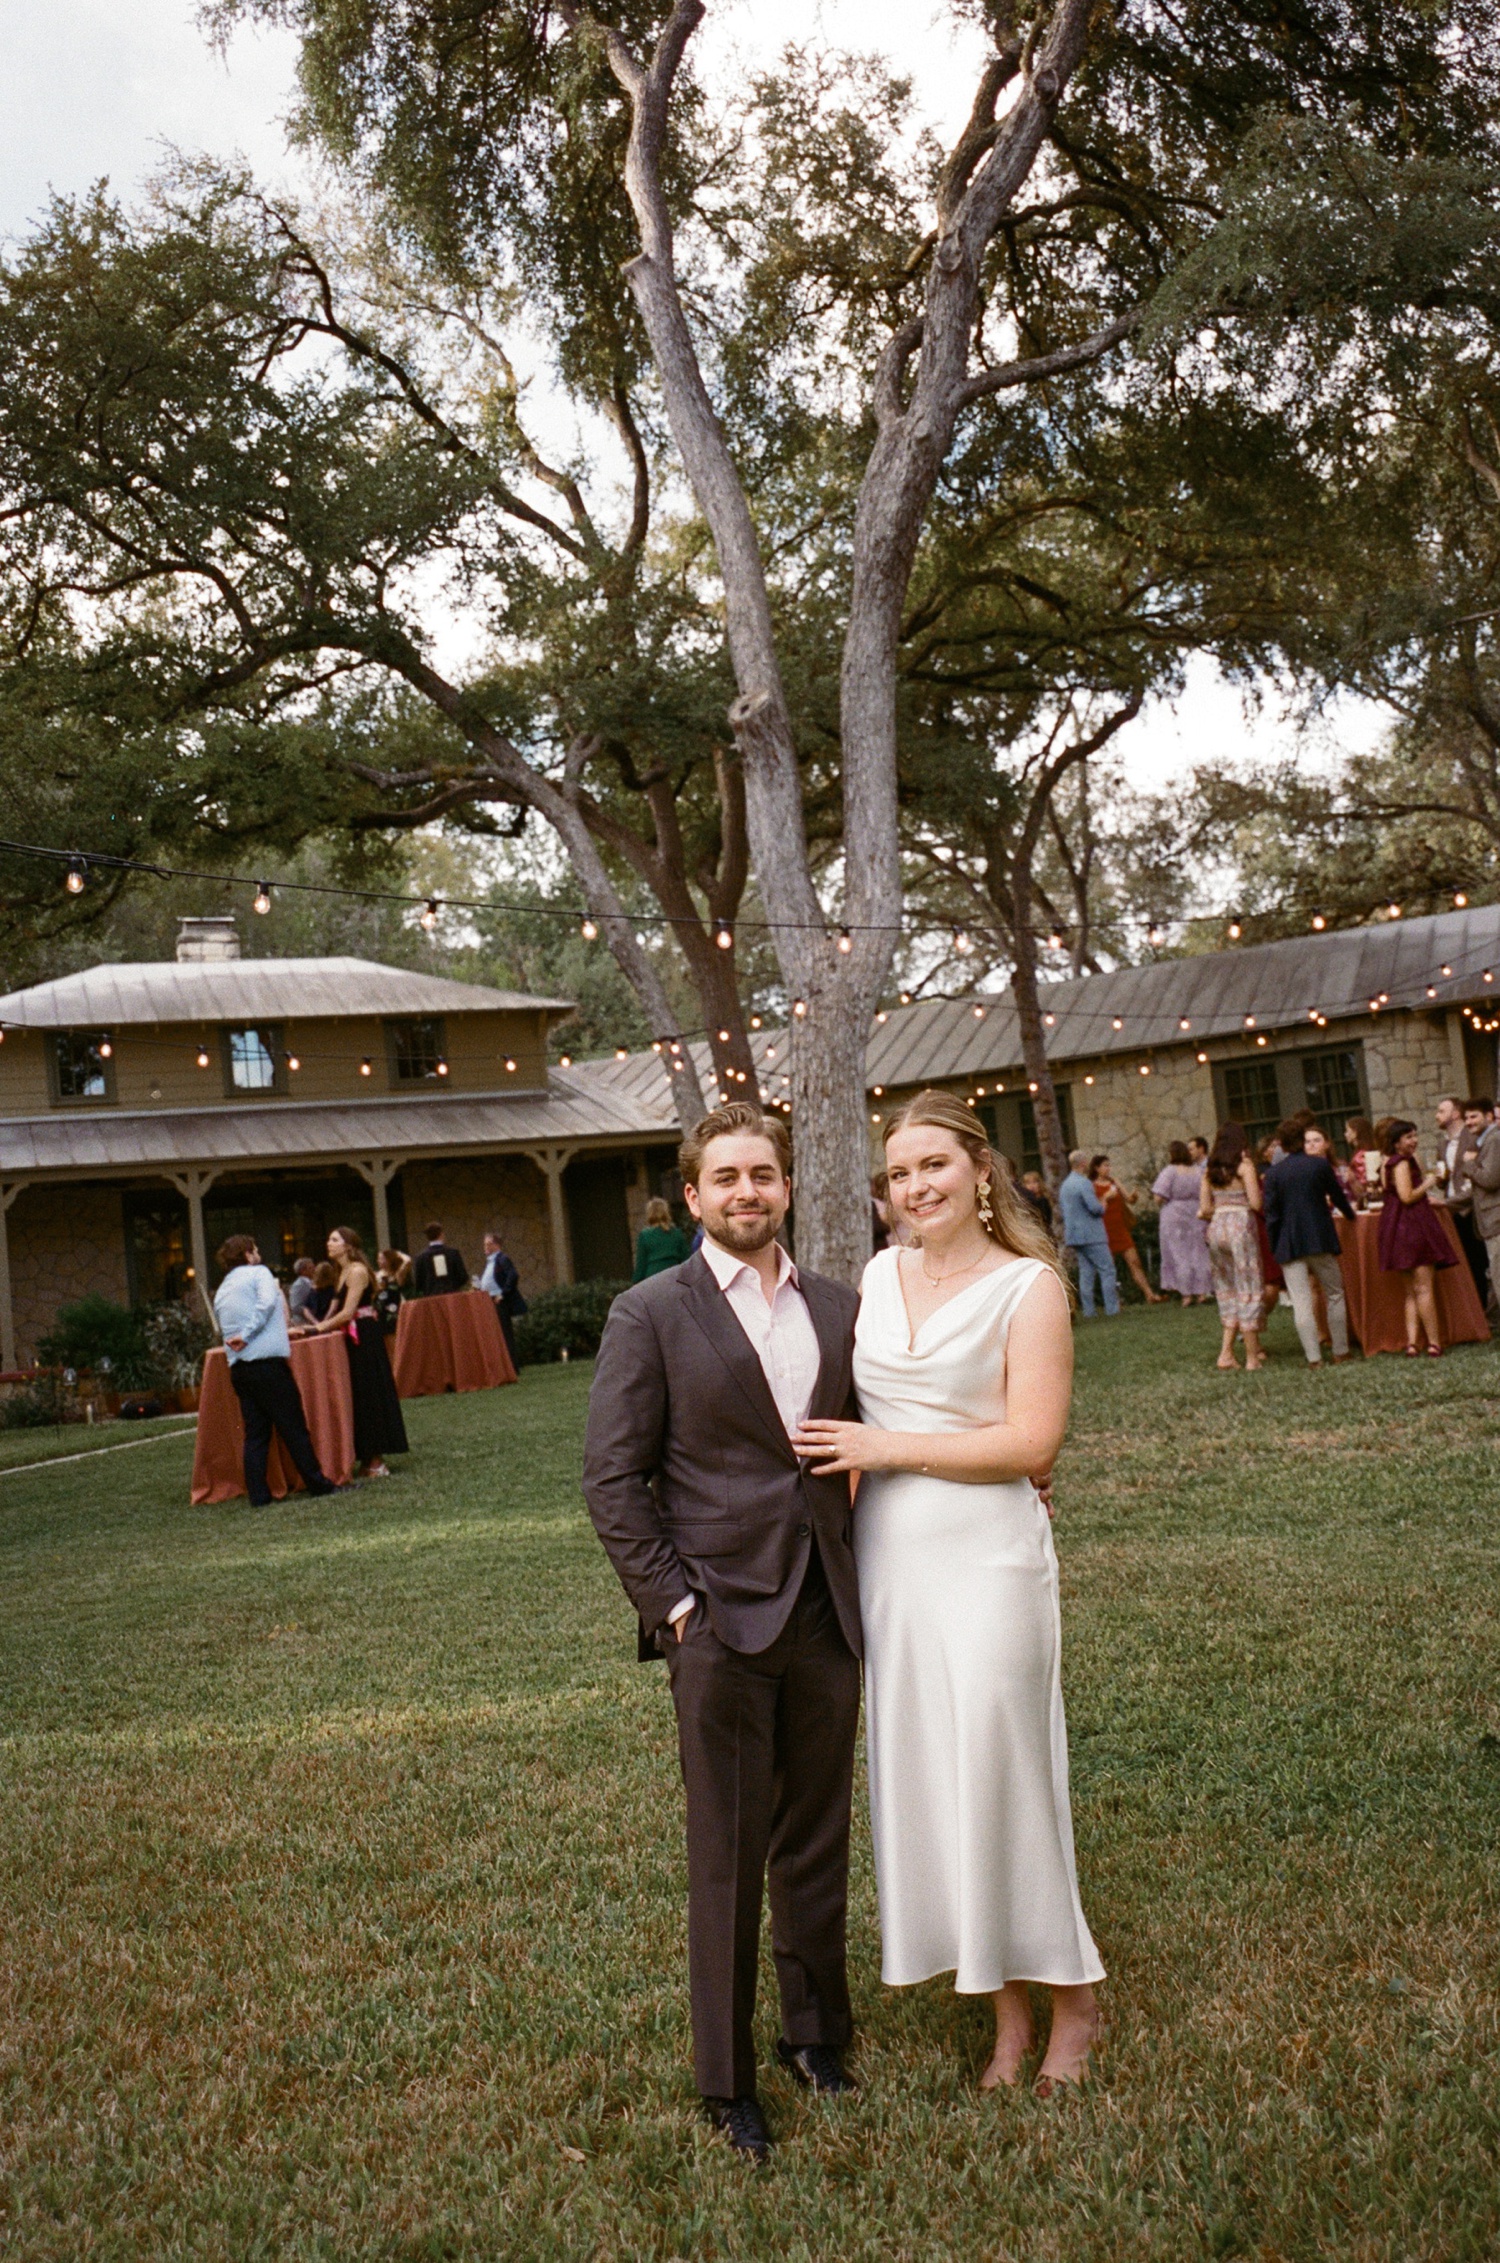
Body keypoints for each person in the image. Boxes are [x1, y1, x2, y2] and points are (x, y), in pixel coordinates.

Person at [793, 1090, 1102, 2098]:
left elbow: (1031, 1442)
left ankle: (1074, 2004)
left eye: (934, 1164)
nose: (916, 1185)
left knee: (1008, 1770)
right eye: (899, 1173)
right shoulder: (877, 1277)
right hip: (893, 1565)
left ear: (980, 1171)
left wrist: (888, 1446)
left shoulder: (1031, 1287)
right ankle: (1003, 2014)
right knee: (938, 1780)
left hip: (990, 1558)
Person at [583, 1102, 863, 2162]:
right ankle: (726, 2077)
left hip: (828, 1610)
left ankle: (815, 2033)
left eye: (765, 1174)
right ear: (693, 1196)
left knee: (816, 1835)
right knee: (727, 1851)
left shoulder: (838, 1306)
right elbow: (612, 1478)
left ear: (787, 1186)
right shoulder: (650, 1313)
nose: (749, 1191)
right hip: (718, 1621)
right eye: (727, 1178)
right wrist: (675, 1606)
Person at [212, 1235, 338, 1506]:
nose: (258, 1253)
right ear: (247, 1254)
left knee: (256, 1433)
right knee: (293, 1426)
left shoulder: (223, 1288)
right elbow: (267, 1304)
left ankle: (259, 1495)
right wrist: (248, 1334)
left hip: (240, 1369)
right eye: (255, 1249)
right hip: (267, 1365)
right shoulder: (259, 1273)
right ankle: (317, 1483)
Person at [310, 1226, 410, 1474]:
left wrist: (318, 1329)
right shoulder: (341, 1272)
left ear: (348, 1245)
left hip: (364, 1338)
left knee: (369, 1392)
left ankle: (376, 1459)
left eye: (335, 1239)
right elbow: (337, 1309)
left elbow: (348, 1312)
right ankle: (365, 1456)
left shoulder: (356, 1271)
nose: (329, 1243)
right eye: (329, 1238)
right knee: (356, 1393)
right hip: (352, 1338)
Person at [1262, 1118, 1356, 1366]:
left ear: (1281, 1143)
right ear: (1303, 1139)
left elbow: (1271, 1215)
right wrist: (1350, 1215)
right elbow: (1338, 1196)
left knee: (1301, 1301)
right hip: (1320, 1237)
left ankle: (1313, 1358)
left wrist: (1274, 1244)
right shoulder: (1318, 1166)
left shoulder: (1273, 1173)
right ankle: (1341, 1350)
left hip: (1289, 1242)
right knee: (1334, 1293)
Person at [1377, 1121, 1455, 1355]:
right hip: (1411, 1227)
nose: (1414, 1141)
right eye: (1409, 1137)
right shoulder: (1401, 1163)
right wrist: (1430, 1182)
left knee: (1411, 1291)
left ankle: (1412, 1343)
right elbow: (1407, 1196)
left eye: (1415, 1135)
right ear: (1396, 1142)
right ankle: (1433, 1342)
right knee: (1423, 1289)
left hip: (1395, 1227)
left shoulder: (1386, 1163)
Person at [1198, 1122, 1266, 1370]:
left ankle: (1226, 1353)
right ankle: (1251, 1357)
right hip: (1240, 1228)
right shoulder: (1244, 1166)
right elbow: (1257, 1204)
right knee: (1248, 1287)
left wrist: (1222, 1208)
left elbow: (1204, 1208)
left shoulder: (1210, 1170)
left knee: (1226, 1289)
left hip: (1216, 1228)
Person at [1437, 1096, 1490, 1303]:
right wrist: (1441, 1181)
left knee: (1480, 1259)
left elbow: (1478, 1175)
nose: (1437, 1115)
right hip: (1452, 1208)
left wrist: (1449, 1202)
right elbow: (1447, 1176)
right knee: (1464, 1259)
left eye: (1442, 1111)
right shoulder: (1442, 1144)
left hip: (1471, 1206)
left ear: (1455, 1114)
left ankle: (1487, 1307)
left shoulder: (1473, 1138)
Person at [1090, 1153, 1163, 1303]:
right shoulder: (1091, 1185)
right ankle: (1113, 1300)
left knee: (1134, 1261)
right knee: (1109, 1268)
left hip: (1120, 1227)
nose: (1108, 1168)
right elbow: (1092, 1206)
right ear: (1097, 1168)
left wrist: (1134, 1196)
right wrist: (1105, 1198)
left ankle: (1149, 1294)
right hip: (1104, 1229)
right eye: (1105, 1165)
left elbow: (1129, 1199)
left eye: (1109, 1165)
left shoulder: (1114, 1182)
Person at [1151, 1141, 1213, 1304]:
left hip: (1174, 1215)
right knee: (1199, 1252)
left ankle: (1186, 1295)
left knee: (1179, 1254)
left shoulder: (1170, 1171)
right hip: (1195, 1212)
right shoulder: (1198, 1171)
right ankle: (1202, 1293)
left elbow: (1158, 1197)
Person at [1059, 1150, 1117, 1317]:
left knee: (1086, 1272)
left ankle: (1089, 1310)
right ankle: (1112, 1309)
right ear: (1083, 1163)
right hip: (1092, 1234)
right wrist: (1106, 1198)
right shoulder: (1084, 1183)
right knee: (1107, 1269)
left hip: (1074, 1235)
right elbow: (1095, 1209)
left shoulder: (1066, 1185)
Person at [1461, 1098, 1500, 1307]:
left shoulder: (1494, 1140)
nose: (1468, 1122)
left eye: (1474, 1116)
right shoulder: (1484, 1141)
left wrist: (1469, 1165)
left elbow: (1491, 1180)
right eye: (1466, 1117)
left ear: (1489, 1116)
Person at [478, 1229, 528, 1363]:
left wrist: (503, 1293)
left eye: (488, 1244)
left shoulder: (502, 1259)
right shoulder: (490, 1262)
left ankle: (512, 1364)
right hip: (490, 1299)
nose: (486, 1247)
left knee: (505, 1333)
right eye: (485, 1244)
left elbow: (513, 1275)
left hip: (499, 1300)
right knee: (497, 1333)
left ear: (496, 1245)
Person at [632, 1196, 692, 1281]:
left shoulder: (645, 1235)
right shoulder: (677, 1233)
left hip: (652, 1279)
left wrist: (634, 1285)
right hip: (674, 1276)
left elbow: (641, 1266)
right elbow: (686, 1259)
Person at [410, 1220, 470, 1297]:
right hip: (451, 1298)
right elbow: (463, 1277)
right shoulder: (453, 1253)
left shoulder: (420, 1257)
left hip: (431, 1299)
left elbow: (418, 1283)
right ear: (441, 1234)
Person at [374, 1248, 410, 1333]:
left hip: (394, 1310)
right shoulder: (376, 1275)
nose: (379, 1261)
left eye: (382, 1258)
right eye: (378, 1258)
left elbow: (407, 1261)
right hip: (380, 1310)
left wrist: (398, 1254)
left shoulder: (396, 1275)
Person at [1019, 1169, 1055, 1235]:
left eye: (1034, 1182)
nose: (1032, 1186)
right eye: (1028, 1183)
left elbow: (1047, 1220)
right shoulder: (1023, 1201)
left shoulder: (1043, 1200)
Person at [287, 1255, 318, 1325]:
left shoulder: (311, 1282)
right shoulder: (299, 1284)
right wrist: (306, 1311)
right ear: (302, 1271)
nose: (314, 1269)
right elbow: (295, 1306)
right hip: (302, 1322)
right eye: (311, 1268)